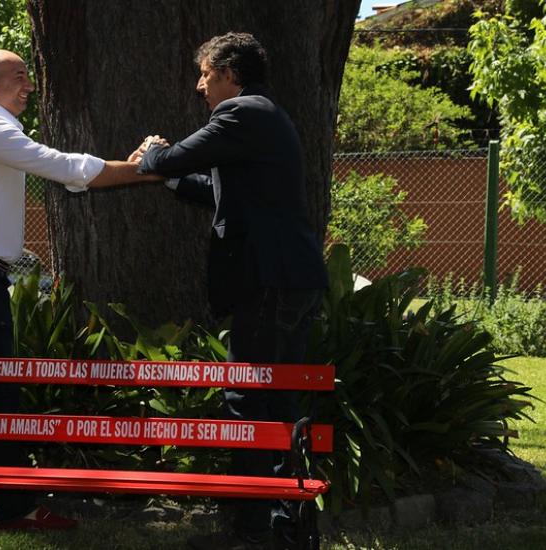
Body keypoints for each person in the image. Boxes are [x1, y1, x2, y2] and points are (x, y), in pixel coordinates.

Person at [0, 49, 159, 531]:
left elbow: (65, 169)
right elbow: (61, 166)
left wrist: (127, 167)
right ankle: (14, 507)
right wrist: (141, 168)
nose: (29, 85)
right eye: (19, 77)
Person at [135, 33, 329, 549]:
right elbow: (214, 189)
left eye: (205, 73)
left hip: (271, 281)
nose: (199, 85)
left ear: (229, 73)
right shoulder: (261, 117)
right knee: (277, 397)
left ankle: (254, 525)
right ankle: (286, 519)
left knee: (249, 397)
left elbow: (171, 158)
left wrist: (154, 156)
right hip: (289, 277)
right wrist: (173, 179)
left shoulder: (241, 113)